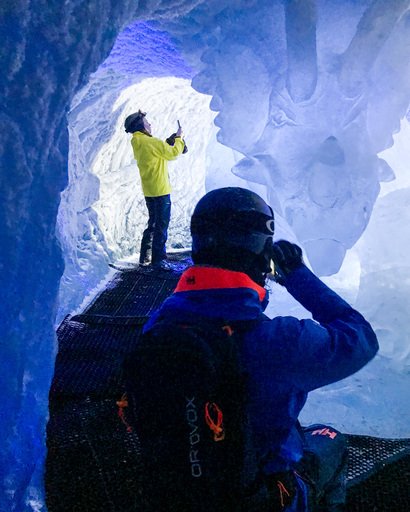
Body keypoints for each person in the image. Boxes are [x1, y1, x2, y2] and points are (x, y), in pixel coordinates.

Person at [141, 187, 379, 511]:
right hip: (259, 499)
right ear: (262, 252)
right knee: (331, 441)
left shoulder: (159, 322)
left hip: (177, 489)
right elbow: (360, 338)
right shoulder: (280, 342)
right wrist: (298, 276)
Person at [124, 110, 186, 270]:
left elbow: (156, 152)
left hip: (149, 190)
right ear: (141, 126)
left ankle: (144, 258)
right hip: (160, 190)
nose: (149, 124)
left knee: (152, 223)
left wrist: (167, 141)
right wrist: (179, 138)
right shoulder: (150, 142)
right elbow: (173, 153)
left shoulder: (138, 141)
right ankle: (159, 260)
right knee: (161, 225)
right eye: (147, 122)